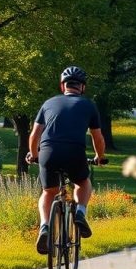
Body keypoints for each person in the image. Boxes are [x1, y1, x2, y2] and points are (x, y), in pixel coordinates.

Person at [25, 66, 106, 255]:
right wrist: (100, 157)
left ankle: (45, 226)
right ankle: (80, 213)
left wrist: (33, 154)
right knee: (82, 183)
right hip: (74, 152)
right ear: (82, 88)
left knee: (48, 192)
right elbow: (98, 137)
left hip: (48, 151)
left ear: (63, 86)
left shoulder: (48, 103)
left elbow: (35, 134)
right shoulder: (88, 105)